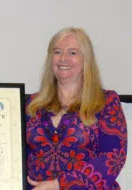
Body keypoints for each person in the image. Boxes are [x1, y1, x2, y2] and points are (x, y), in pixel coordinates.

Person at [26, 27, 127, 189]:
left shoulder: (106, 102)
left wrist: (59, 185)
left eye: (73, 53)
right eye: (57, 52)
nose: (63, 58)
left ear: (86, 59)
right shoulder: (32, 104)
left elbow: (113, 158)